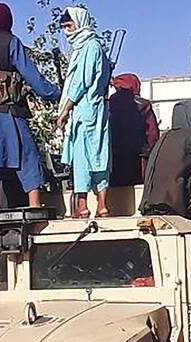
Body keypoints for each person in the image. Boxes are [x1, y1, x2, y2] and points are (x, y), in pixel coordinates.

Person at [0, 1, 61, 212]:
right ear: (7, 19)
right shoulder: (11, 42)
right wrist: (54, 93)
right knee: (27, 156)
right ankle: (35, 204)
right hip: (11, 111)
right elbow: (31, 74)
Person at [57, 6, 112, 218]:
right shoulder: (89, 46)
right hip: (95, 109)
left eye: (69, 25)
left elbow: (81, 81)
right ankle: (101, 205)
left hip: (85, 109)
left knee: (84, 158)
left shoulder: (89, 47)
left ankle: (85, 205)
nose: (67, 30)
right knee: (99, 155)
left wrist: (65, 109)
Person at [108, 73, 159, 187]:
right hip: (139, 156)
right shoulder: (144, 105)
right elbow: (153, 134)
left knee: (117, 190)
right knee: (139, 189)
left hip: (115, 155)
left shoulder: (110, 104)